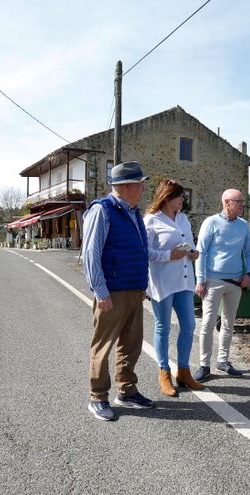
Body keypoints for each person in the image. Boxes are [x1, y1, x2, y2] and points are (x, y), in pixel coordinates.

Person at [81, 161, 155, 421]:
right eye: (139, 183)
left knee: (131, 344)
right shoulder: (102, 210)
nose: (143, 188)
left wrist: (142, 285)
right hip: (111, 291)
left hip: (134, 289)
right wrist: (100, 291)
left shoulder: (134, 212)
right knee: (103, 345)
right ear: (124, 187)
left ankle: (126, 390)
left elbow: (140, 251)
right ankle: (97, 397)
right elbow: (90, 253)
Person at [144, 179, 206, 396]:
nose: (183, 200)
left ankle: (184, 371)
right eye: (180, 196)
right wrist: (168, 255)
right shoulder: (151, 221)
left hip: (185, 281)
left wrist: (194, 252)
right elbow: (146, 253)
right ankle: (164, 373)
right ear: (168, 196)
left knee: (189, 326)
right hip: (162, 282)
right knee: (163, 327)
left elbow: (190, 244)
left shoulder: (183, 219)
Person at [193, 189, 250, 382]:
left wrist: (249, 273)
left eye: (242, 201)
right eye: (239, 201)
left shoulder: (244, 226)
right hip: (213, 281)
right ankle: (204, 365)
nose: (242, 204)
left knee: (229, 322)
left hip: (235, 282)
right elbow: (200, 252)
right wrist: (200, 279)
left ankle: (223, 361)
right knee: (208, 323)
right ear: (227, 202)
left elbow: (249, 252)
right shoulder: (211, 223)